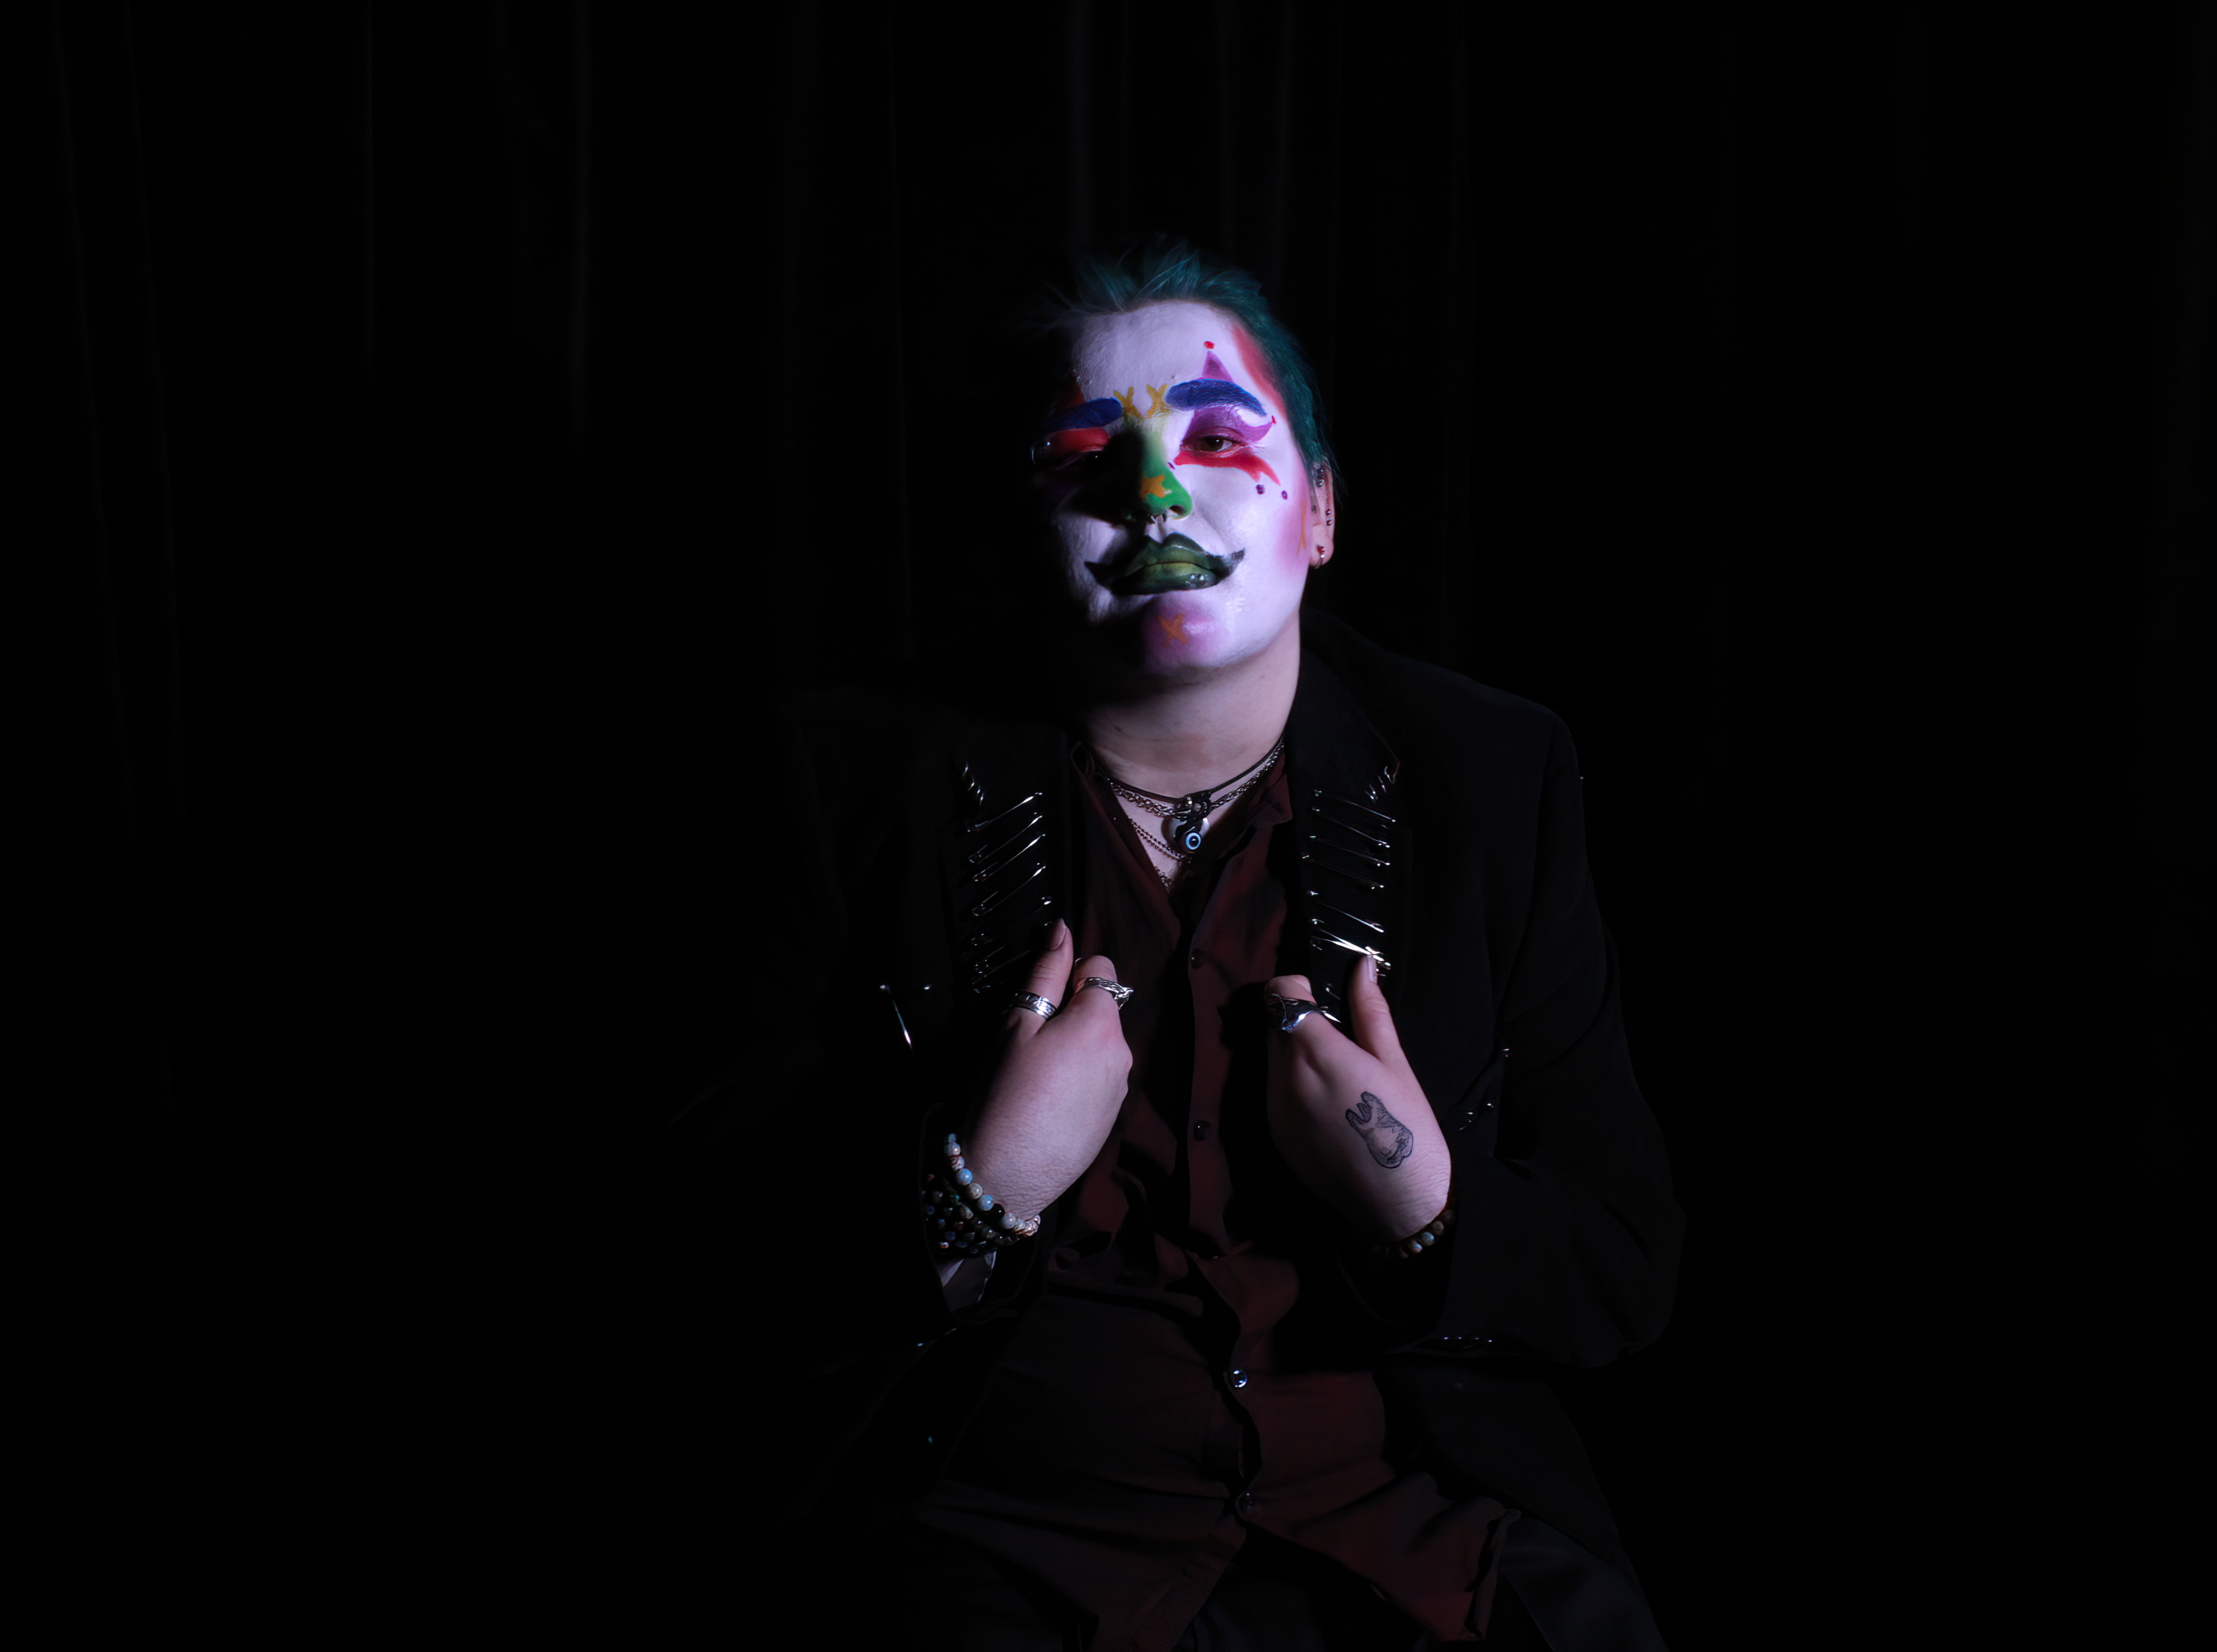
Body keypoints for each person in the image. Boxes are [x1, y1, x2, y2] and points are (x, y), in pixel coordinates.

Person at [663, 239, 1683, 1649]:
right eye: (1085, 457)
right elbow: (698, 1256)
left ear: (1322, 510)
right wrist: (971, 1187)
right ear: (1022, 529)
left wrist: (1427, 1206)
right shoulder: (845, 783)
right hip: (992, 1549)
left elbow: (1621, 1262)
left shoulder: (1493, 780)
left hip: (1408, 1539)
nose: (1152, 495)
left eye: (1214, 441)